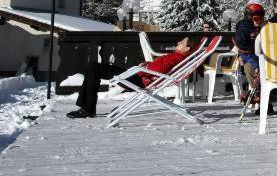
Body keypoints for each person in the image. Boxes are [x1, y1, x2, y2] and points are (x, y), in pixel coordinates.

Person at [66, 37, 197, 119]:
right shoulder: (176, 56)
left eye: (182, 42)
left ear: (187, 48)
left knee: (94, 68)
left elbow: (158, 70)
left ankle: (88, 108)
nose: (178, 42)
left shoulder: (175, 57)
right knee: (93, 68)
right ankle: (87, 107)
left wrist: (145, 67)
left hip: (139, 79)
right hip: (139, 76)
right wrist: (145, 65)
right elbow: (158, 68)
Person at [234, 2, 265, 104]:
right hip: (250, 54)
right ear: (249, 17)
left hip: (262, 55)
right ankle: (257, 92)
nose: (258, 20)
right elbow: (241, 42)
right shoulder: (244, 27)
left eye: (260, 17)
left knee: (257, 68)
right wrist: (255, 45)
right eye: (256, 17)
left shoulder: (263, 26)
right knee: (251, 68)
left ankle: (260, 92)